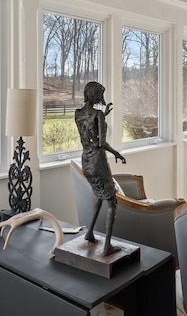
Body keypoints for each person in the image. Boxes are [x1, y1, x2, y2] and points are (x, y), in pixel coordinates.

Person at [75, 82, 126, 255]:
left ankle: (89, 233)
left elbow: (88, 131)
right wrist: (117, 153)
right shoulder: (98, 115)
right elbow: (101, 143)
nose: (101, 98)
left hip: (86, 160)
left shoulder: (77, 114)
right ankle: (107, 246)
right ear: (94, 95)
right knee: (112, 201)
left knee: (98, 194)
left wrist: (102, 116)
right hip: (98, 161)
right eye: (99, 95)